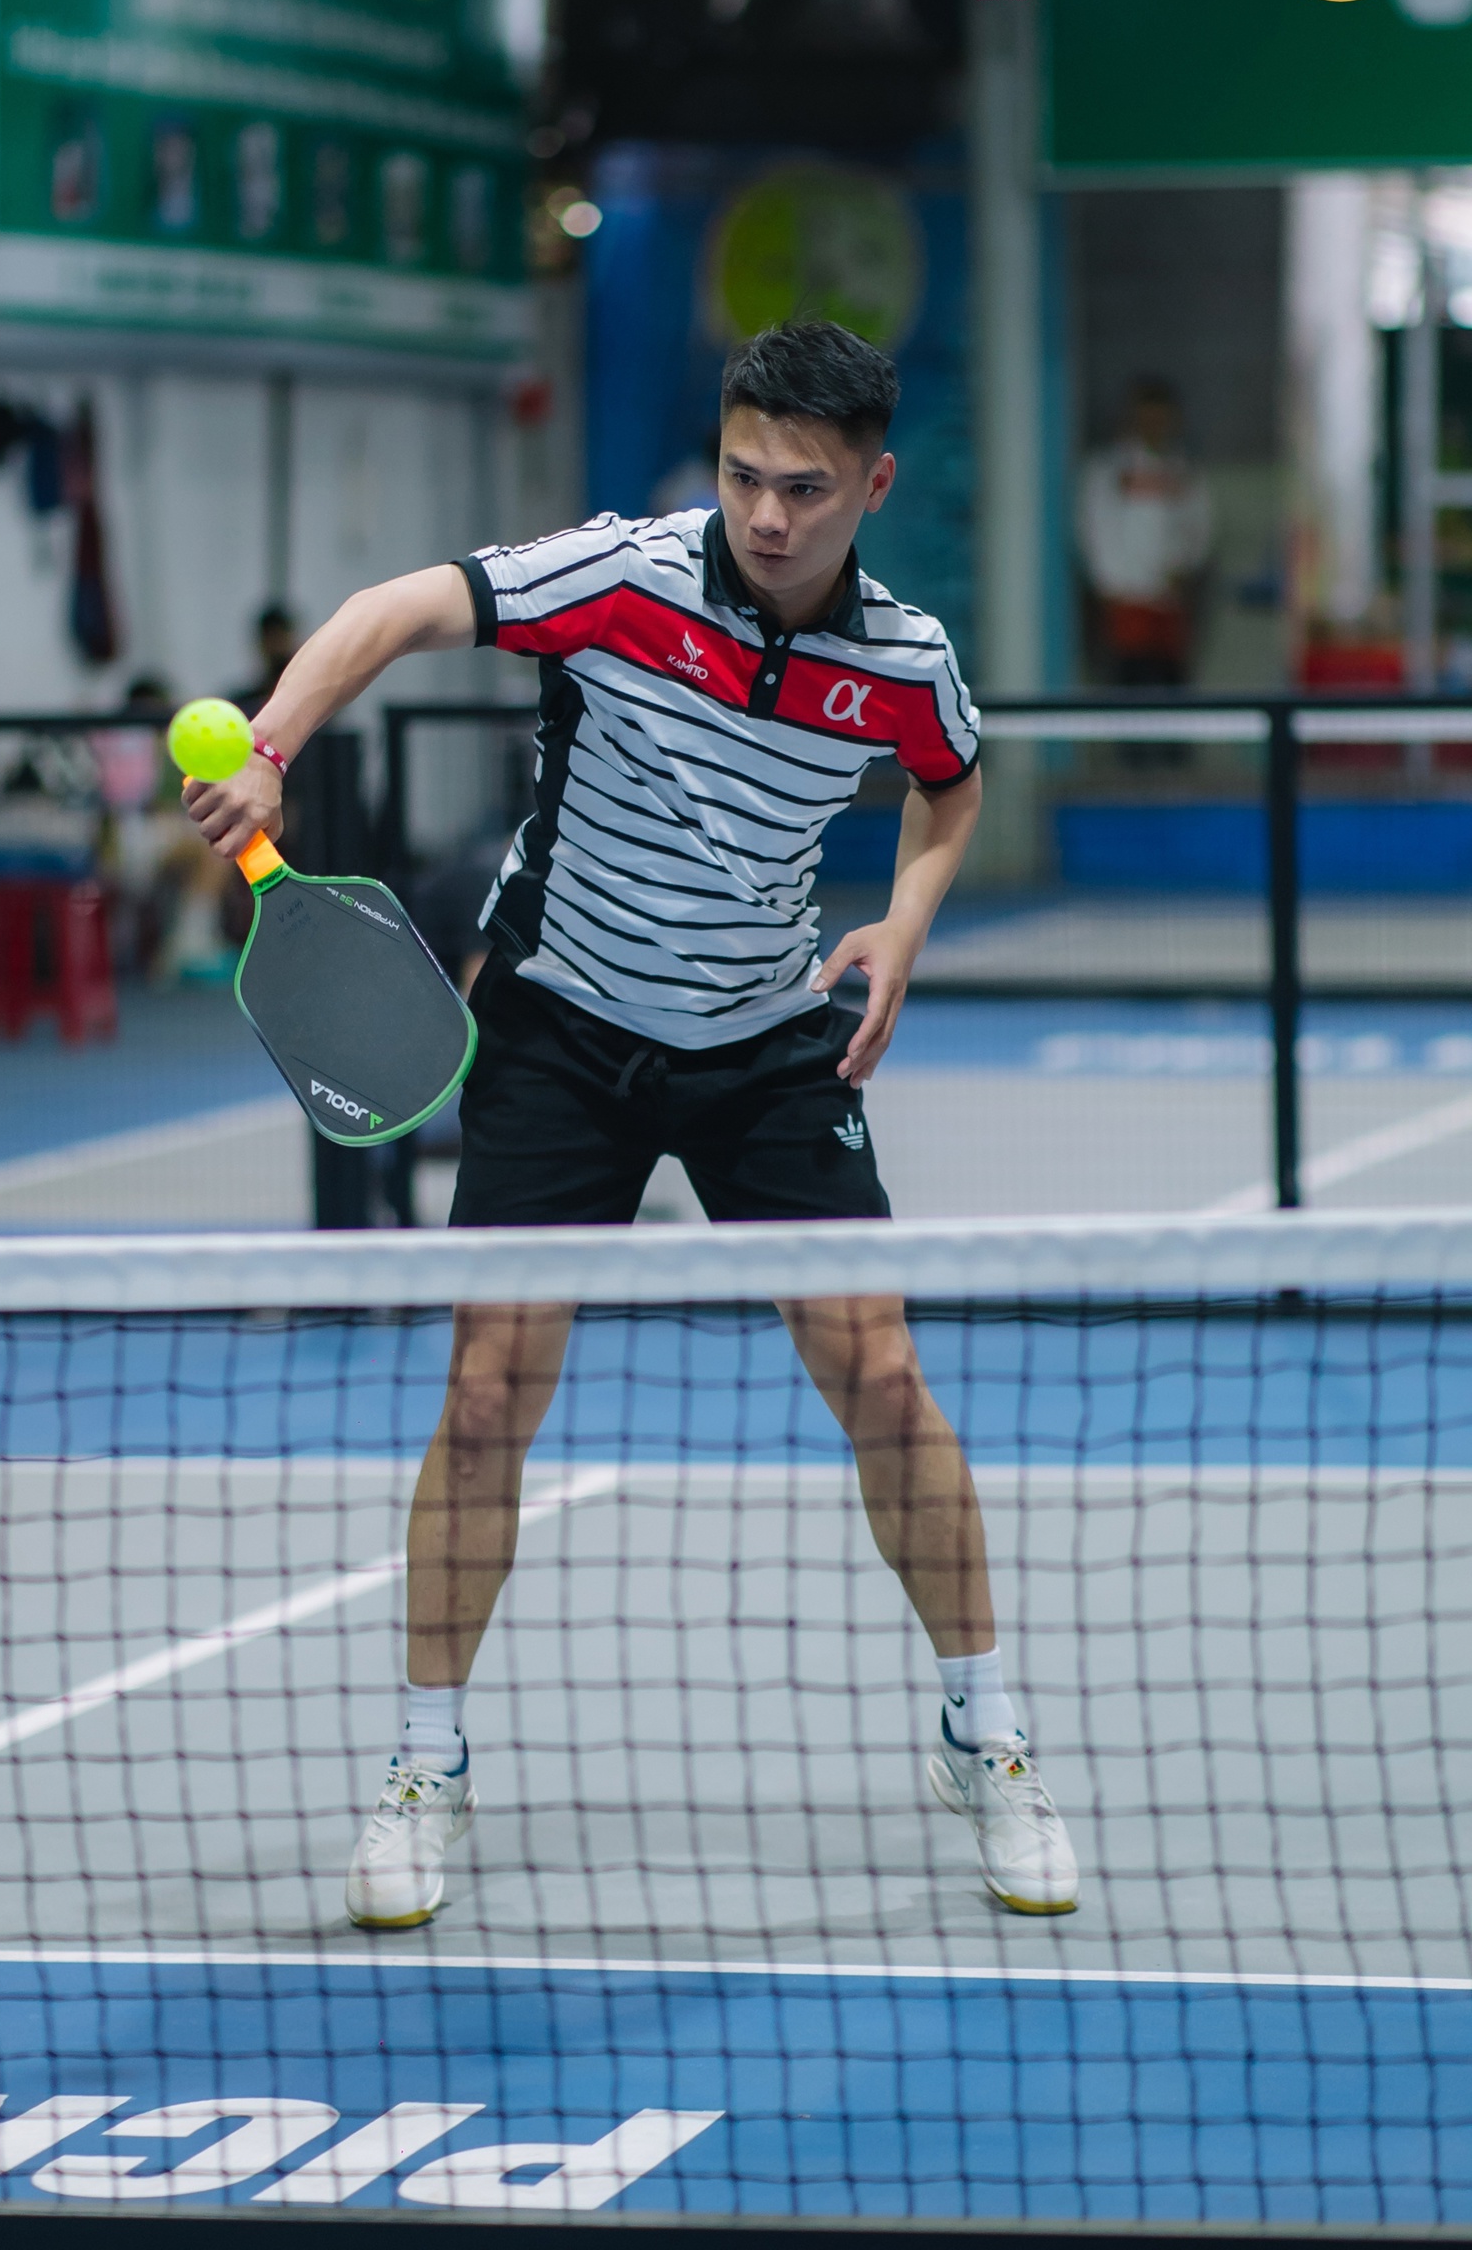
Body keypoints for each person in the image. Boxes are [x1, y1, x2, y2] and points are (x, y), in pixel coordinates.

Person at [181, 319, 1079, 1928]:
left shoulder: (903, 659)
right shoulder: (618, 574)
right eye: (743, 476)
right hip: (561, 1032)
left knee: (883, 1381)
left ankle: (983, 1733)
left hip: (762, 1047)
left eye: (805, 489)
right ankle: (426, 1762)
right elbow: (395, 609)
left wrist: (902, 923)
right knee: (483, 1399)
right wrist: (268, 747)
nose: (767, 516)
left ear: (872, 485)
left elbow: (949, 782)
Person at [1078, 377, 1211, 688]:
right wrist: (1112, 584)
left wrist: (1185, 567)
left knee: (1171, 683)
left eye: (1160, 419)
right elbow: (1094, 528)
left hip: (1169, 601)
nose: (1154, 427)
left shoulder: (1184, 470)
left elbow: (1200, 527)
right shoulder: (1107, 470)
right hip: (1125, 602)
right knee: (1128, 684)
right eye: (1146, 418)